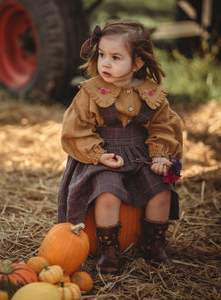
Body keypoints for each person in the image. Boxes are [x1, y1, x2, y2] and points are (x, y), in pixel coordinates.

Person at [58, 19, 183, 274]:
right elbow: (76, 128)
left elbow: (164, 126)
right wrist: (98, 154)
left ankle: (153, 244)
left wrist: (160, 156)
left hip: (141, 155)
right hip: (105, 155)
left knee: (161, 190)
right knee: (107, 193)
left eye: (116, 57)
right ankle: (108, 249)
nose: (105, 62)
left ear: (137, 63)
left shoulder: (151, 93)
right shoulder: (91, 92)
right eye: (102, 54)